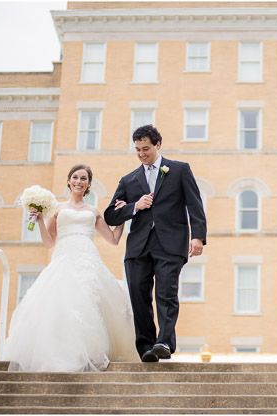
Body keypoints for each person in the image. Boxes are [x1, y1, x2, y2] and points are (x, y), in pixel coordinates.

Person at [2, 164, 140, 371]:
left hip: (88, 258)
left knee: (88, 302)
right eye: (75, 177)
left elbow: (113, 239)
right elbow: (50, 242)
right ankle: (63, 352)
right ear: (68, 181)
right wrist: (40, 221)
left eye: (83, 178)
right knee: (63, 302)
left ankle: (89, 352)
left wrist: (122, 218)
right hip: (64, 257)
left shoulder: (93, 211)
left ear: (88, 185)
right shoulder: (57, 209)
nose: (78, 181)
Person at [104, 125, 207, 363]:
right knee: (139, 298)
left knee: (166, 292)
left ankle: (165, 342)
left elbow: (194, 204)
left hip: (170, 243)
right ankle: (147, 348)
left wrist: (198, 236)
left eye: (146, 148)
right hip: (138, 247)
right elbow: (111, 215)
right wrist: (134, 206)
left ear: (158, 145)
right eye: (138, 149)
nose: (141, 154)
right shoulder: (128, 180)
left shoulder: (180, 170)